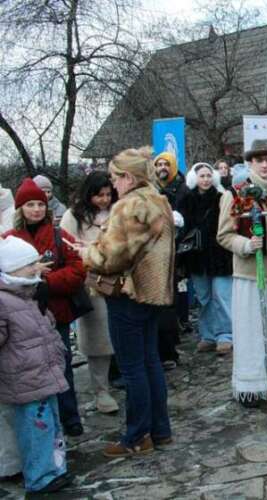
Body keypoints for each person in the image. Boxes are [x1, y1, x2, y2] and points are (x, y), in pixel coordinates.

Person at [74, 147, 175, 457]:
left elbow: (109, 257)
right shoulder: (159, 200)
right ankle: (160, 430)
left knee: (133, 369)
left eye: (116, 176)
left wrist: (84, 252)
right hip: (153, 293)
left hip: (129, 294)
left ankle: (137, 436)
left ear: (129, 178)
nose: (113, 183)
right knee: (150, 362)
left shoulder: (128, 206)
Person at [217, 139, 267, 408]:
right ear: (250, 163)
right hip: (251, 274)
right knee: (252, 330)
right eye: (259, 160)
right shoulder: (237, 193)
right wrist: (246, 245)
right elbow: (224, 235)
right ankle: (253, 385)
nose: (265, 165)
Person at [4, 178, 86, 437]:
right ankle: (43, 425)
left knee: (61, 367)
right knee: (32, 375)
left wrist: (48, 282)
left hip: (56, 313)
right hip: (21, 321)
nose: (36, 209)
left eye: (40, 204)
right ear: (20, 208)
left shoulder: (60, 235)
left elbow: (77, 269)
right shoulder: (9, 240)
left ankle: (70, 417)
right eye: (30, 204)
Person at [0, 236, 71, 493]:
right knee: (35, 429)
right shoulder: (5, 300)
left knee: (50, 425)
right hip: (25, 379)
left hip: (43, 374)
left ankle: (55, 468)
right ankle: (39, 477)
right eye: (29, 264)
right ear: (11, 269)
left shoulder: (30, 294)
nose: (36, 268)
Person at [59, 172, 120, 415]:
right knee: (98, 337)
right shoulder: (74, 216)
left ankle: (119, 377)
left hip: (119, 280)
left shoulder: (118, 211)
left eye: (108, 194)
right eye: (99, 195)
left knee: (120, 331)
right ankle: (100, 389)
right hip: (92, 283)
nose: (104, 199)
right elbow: (65, 245)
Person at [177, 163, 234, 356]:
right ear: (195, 178)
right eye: (202, 176)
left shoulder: (221, 198)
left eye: (209, 175)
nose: (206, 179)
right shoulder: (186, 200)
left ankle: (225, 335)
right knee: (203, 298)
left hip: (219, 254)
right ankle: (208, 335)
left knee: (222, 296)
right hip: (197, 256)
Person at [153, 152, 187, 368]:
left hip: (174, 250)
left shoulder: (182, 190)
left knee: (170, 300)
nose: (162, 168)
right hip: (154, 250)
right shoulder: (152, 189)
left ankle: (169, 350)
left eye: (166, 164)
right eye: (159, 164)